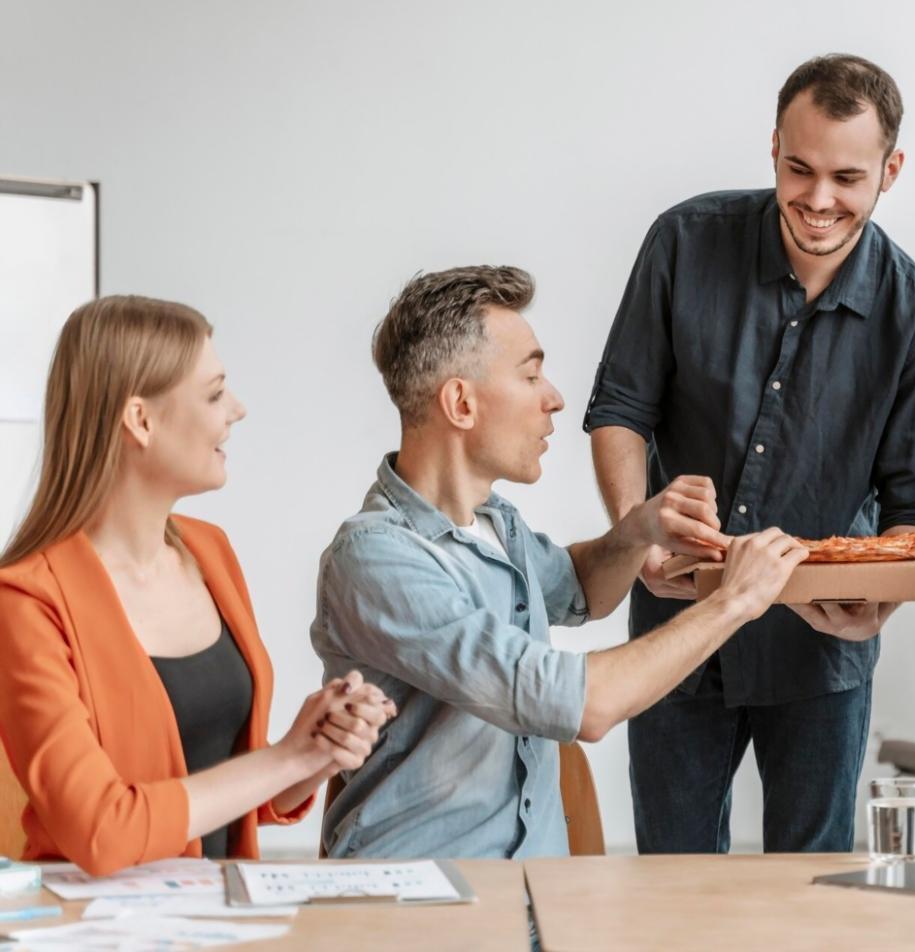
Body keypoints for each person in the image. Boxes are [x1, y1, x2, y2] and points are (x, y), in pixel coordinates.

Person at [585, 53, 915, 854]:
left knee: (810, 893)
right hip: (675, 627)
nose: (818, 199)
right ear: (772, 149)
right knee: (673, 883)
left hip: (820, 655)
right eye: (800, 168)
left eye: (847, 177)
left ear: (890, 170)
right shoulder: (683, 242)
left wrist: (879, 605)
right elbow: (621, 407)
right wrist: (632, 528)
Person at [312, 265, 805, 859]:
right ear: (461, 403)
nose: (555, 399)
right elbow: (582, 704)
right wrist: (735, 603)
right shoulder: (377, 559)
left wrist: (638, 529)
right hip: (420, 907)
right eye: (531, 374)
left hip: (532, 901)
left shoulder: (497, 523)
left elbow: (581, 589)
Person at [0, 296, 392, 876]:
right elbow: (102, 831)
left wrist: (317, 750)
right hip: (92, 930)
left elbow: (232, 797)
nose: (237, 410)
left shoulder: (210, 551)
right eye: (213, 394)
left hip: (215, 914)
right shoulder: (27, 602)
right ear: (140, 420)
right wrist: (286, 758)